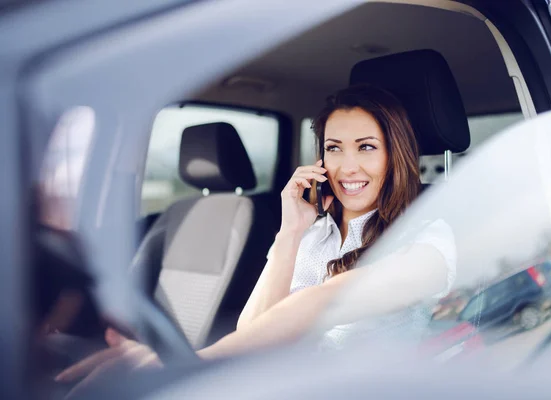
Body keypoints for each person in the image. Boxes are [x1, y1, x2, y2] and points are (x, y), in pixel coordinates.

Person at [55, 84, 456, 391]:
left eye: (366, 147)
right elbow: (252, 329)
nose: (347, 166)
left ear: (394, 154)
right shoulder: (315, 232)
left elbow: (322, 301)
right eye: (334, 148)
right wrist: (290, 232)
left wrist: (189, 363)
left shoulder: (429, 237)